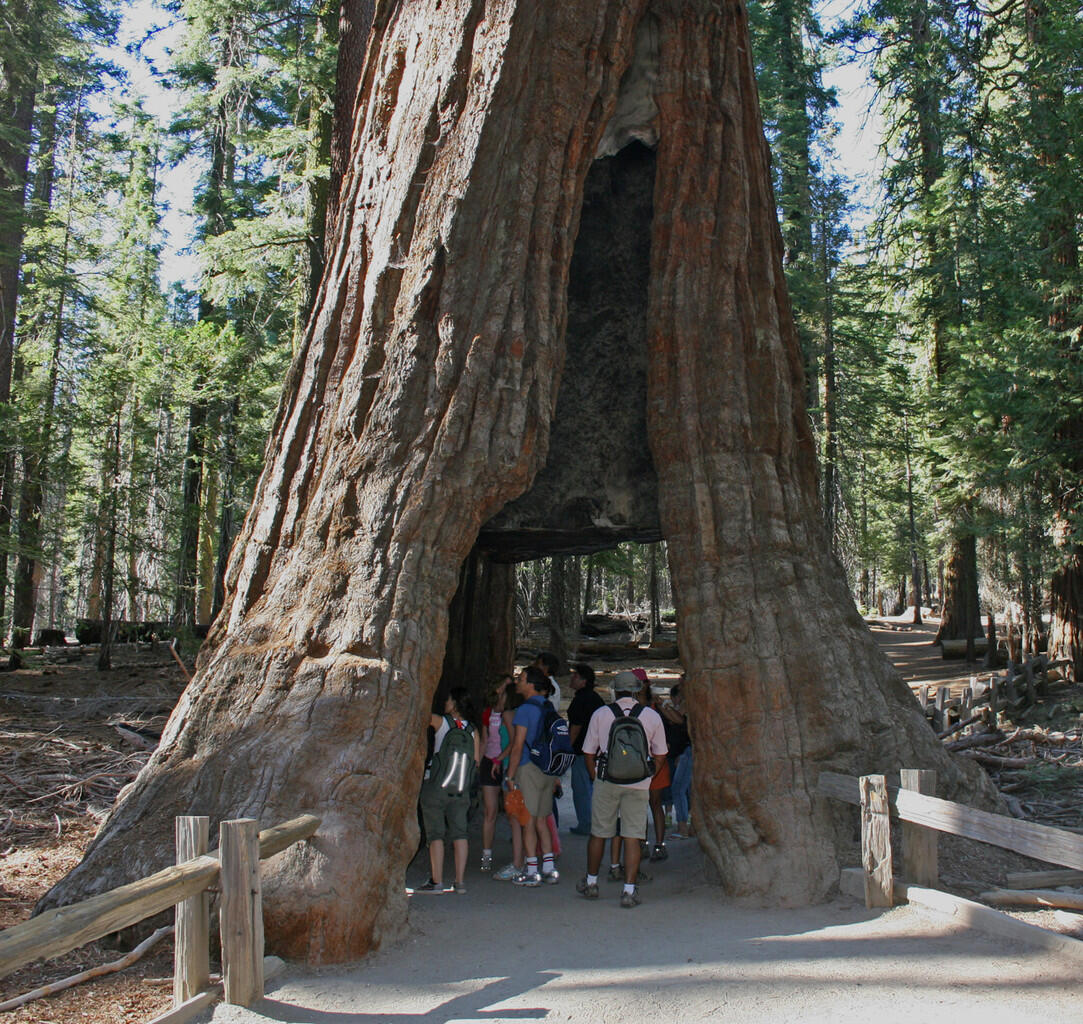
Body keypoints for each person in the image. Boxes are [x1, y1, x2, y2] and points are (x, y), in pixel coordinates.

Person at [577, 670, 667, 908]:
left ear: (614, 690)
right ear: (638, 689)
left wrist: (597, 777)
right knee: (633, 836)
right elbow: (660, 754)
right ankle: (628, 890)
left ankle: (592, 882)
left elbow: (588, 753)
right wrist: (648, 776)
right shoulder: (651, 716)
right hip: (638, 783)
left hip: (607, 780)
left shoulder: (601, 714)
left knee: (599, 833)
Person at [417, 687, 480, 893]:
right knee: (460, 833)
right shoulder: (473, 730)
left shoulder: (441, 722)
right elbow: (476, 761)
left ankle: (437, 881)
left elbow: (418, 715)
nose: (445, 703)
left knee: (435, 834)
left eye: (448, 700)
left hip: (436, 785)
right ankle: (460, 882)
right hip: (460, 788)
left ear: (454, 704)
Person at [504, 665, 560, 886]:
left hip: (528, 768)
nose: (518, 681)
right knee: (542, 820)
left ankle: (531, 871)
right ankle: (549, 868)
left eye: (522, 678)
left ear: (531, 684)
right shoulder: (548, 707)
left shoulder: (525, 710)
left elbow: (517, 746)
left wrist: (510, 775)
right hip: (547, 768)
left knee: (527, 821)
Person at [480, 674, 514, 871]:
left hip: (505, 763)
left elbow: (513, 741)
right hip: (489, 763)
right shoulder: (488, 712)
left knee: (511, 812)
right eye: (505, 686)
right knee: (490, 811)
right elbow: (485, 740)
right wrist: (478, 762)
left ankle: (519, 856)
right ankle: (486, 855)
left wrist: (500, 759)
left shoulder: (511, 713)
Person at [566, 662, 604, 835]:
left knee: (581, 788)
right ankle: (598, 822)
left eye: (575, 676)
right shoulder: (597, 699)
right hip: (598, 750)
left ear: (583, 681)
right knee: (595, 788)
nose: (572, 678)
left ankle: (586, 824)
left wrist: (566, 748)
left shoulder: (580, 700)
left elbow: (575, 728)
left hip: (582, 752)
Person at [663, 681, 693, 840]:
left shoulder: (688, 703)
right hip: (688, 749)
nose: (680, 686)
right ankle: (692, 825)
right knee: (688, 789)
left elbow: (678, 719)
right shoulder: (690, 701)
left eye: (682, 682)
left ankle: (683, 827)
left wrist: (662, 707)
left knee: (678, 788)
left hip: (689, 750)